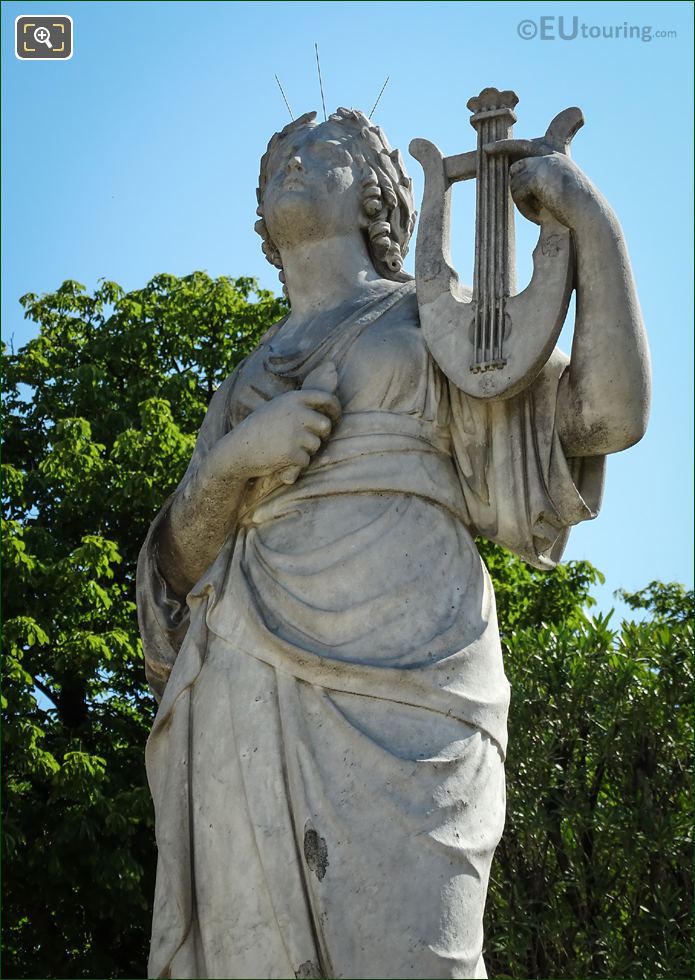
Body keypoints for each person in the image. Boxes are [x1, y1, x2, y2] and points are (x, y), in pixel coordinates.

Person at [137, 107, 650, 980]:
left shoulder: (433, 322)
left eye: (324, 150)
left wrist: (589, 224)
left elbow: (605, 415)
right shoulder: (239, 383)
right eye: (279, 157)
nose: (294, 161)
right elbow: (171, 578)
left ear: (381, 193)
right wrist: (229, 468)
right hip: (245, 664)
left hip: (414, 670)